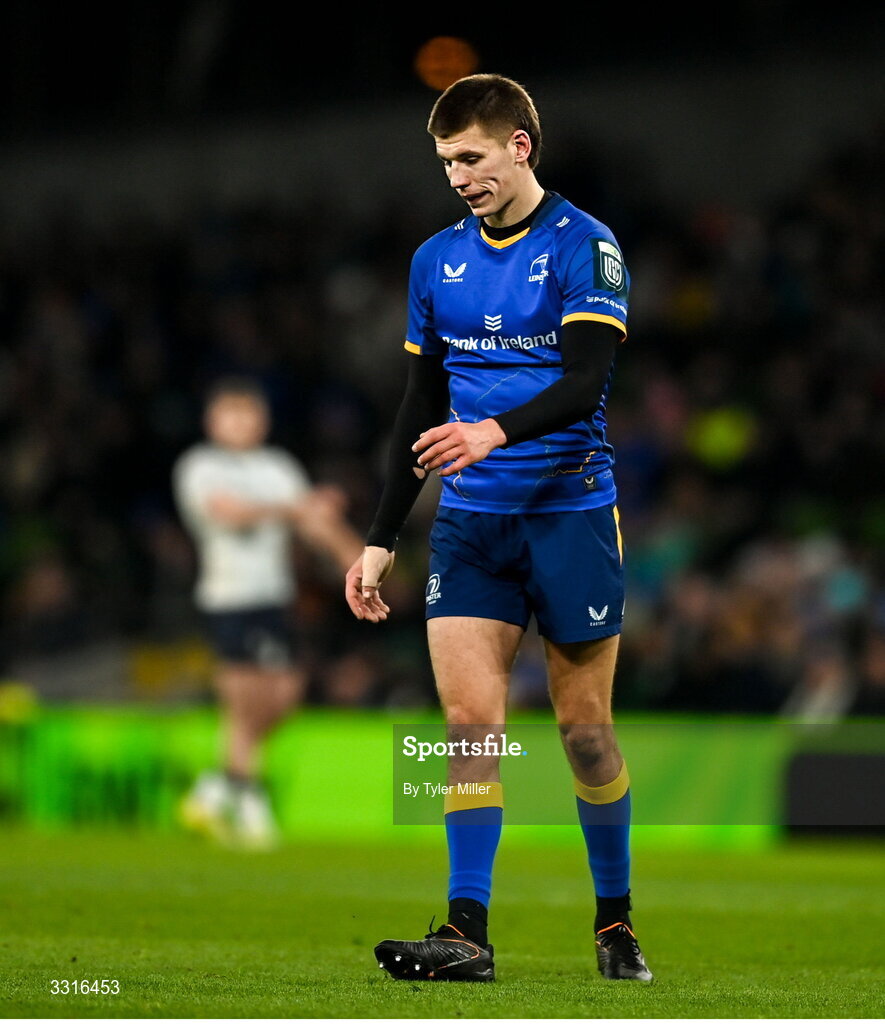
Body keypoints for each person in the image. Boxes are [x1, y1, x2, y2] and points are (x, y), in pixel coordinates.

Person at [345, 74, 652, 982]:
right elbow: (418, 402)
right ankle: (466, 933)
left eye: (470, 157)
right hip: (472, 528)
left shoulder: (585, 246)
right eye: (446, 163)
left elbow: (586, 379)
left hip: (567, 518)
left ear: (519, 145)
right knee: (470, 727)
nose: (458, 177)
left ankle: (613, 924)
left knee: (583, 733)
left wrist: (493, 431)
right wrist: (380, 533)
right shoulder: (433, 259)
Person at [174, 375, 363, 848]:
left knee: (284, 695)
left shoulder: (277, 466)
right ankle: (249, 800)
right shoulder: (200, 466)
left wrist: (358, 559)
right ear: (212, 421)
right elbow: (228, 512)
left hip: (274, 597)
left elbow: (315, 521)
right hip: (229, 598)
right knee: (246, 701)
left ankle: (218, 788)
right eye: (230, 415)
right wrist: (295, 507)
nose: (240, 425)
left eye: (249, 415)